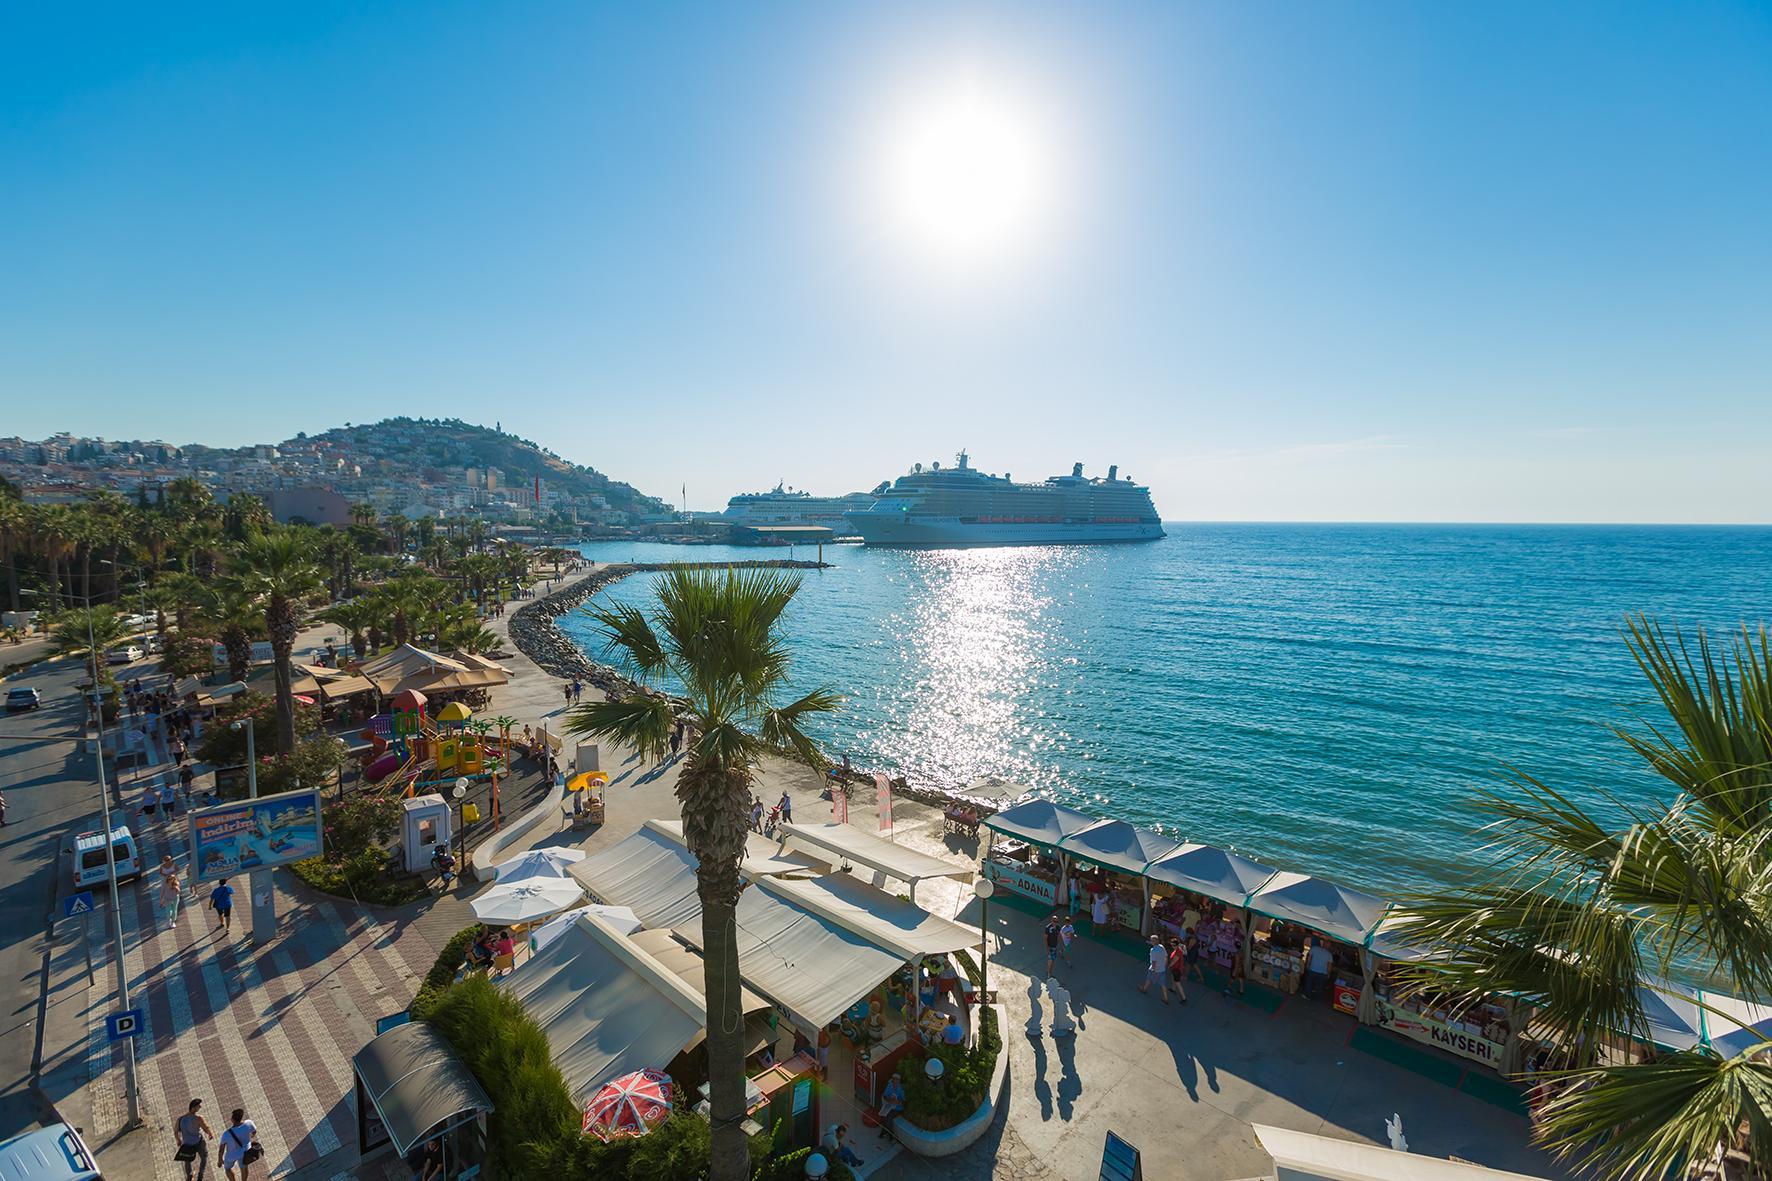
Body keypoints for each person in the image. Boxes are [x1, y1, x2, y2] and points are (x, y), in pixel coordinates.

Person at [175, 1098, 213, 1181]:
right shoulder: (198, 1118)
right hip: (198, 1142)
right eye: (198, 1106)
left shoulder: (180, 1119)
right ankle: (200, 1176)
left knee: (187, 1160)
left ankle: (189, 1176)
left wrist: (178, 1140)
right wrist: (210, 1133)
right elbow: (205, 1128)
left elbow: (175, 1131)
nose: (200, 1107)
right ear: (193, 1108)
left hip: (186, 1144)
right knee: (204, 1157)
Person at [219, 1108, 259, 1181]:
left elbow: (221, 1149)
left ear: (232, 1120)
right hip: (245, 1152)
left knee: (227, 1169)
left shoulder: (226, 1134)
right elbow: (254, 1131)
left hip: (231, 1155)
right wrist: (251, 1136)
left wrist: (220, 1160)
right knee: (244, 1168)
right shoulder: (249, 1123)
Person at [1140, 935, 1171, 1003]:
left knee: (1149, 978)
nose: (1152, 942)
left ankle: (1144, 989)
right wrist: (1165, 966)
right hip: (1162, 969)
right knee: (1162, 984)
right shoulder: (1162, 947)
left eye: (1152, 941)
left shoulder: (1153, 950)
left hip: (1155, 969)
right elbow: (1166, 957)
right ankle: (1166, 998)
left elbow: (1153, 962)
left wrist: (1153, 970)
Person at [877, 1072, 906, 1139]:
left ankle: (888, 1133)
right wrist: (888, 1099)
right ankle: (886, 1132)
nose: (895, 1082)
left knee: (889, 1117)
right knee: (884, 1115)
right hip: (889, 1104)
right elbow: (884, 1095)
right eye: (894, 1080)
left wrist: (898, 1102)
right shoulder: (890, 1085)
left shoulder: (901, 1089)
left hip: (897, 1107)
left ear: (899, 1081)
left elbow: (904, 1102)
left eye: (897, 1080)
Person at [158, 863, 182, 929]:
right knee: (168, 911)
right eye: (169, 879)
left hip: (175, 898)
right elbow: (162, 892)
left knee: (174, 910)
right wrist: (161, 900)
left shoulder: (176, 884)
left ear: (173, 879)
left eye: (171, 879)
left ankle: (173, 922)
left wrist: (177, 889)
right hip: (167, 898)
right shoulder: (164, 884)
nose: (170, 881)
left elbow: (179, 892)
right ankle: (168, 921)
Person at [1167, 937, 1191, 1004]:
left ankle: (1184, 998)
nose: (1172, 946)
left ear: (1177, 945)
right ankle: (1173, 989)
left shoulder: (1178, 952)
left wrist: (1169, 966)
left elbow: (1174, 961)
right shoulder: (1177, 949)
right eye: (1171, 945)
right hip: (1174, 969)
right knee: (1173, 978)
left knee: (1178, 983)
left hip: (1177, 970)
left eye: (1174, 945)